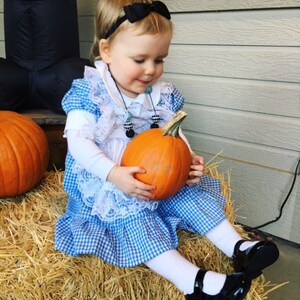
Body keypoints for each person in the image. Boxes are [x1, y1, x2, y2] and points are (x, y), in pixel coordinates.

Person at [54, 1, 279, 299]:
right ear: (107, 51)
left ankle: (239, 247)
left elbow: (175, 134)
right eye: (140, 59)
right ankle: (193, 281)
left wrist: (187, 159)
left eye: (160, 59)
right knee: (135, 219)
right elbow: (79, 143)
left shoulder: (159, 95)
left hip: (154, 175)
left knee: (190, 196)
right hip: (109, 180)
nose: (151, 70)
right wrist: (113, 173)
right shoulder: (91, 92)